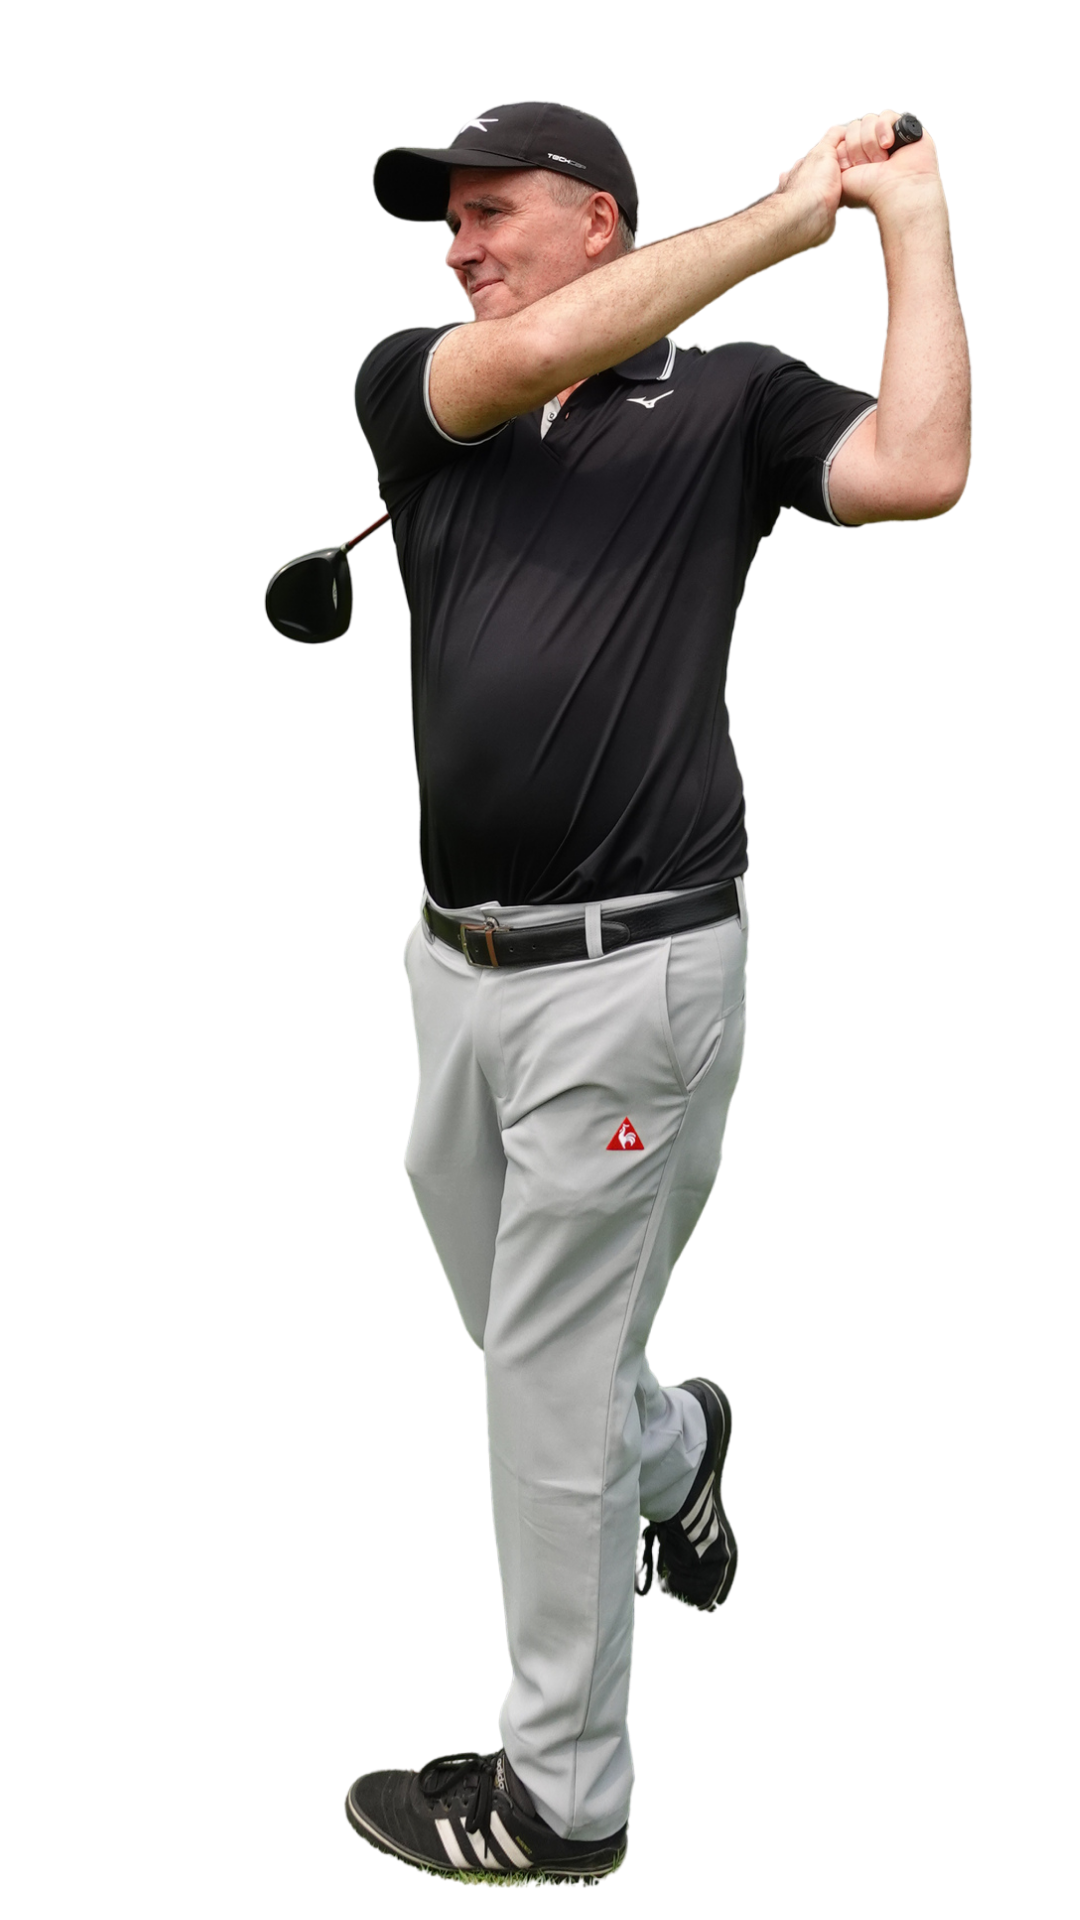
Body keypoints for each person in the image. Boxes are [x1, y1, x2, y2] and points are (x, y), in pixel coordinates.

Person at [343, 100, 971, 1886]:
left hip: (637, 977)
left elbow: (920, 468)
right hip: (453, 967)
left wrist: (906, 219)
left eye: (493, 212)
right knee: (522, 1337)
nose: (458, 246)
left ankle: (563, 1798)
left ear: (602, 219)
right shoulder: (425, 383)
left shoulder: (734, 398)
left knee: (540, 1381)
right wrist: (786, 215)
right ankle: (676, 1439)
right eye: (450, 221)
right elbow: (524, 356)